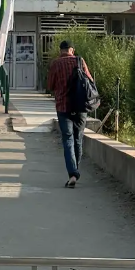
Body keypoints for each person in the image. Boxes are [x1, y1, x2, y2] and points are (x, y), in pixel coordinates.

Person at [46, 40, 94, 188]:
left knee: (68, 139)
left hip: (63, 107)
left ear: (61, 51)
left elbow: (50, 86)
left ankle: (72, 173)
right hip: (80, 107)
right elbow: (90, 81)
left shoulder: (55, 64)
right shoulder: (80, 61)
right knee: (78, 139)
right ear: (72, 50)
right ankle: (75, 172)